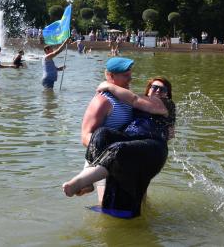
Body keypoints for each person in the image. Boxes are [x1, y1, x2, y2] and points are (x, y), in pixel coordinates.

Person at [63, 76, 175, 218]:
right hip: (131, 140)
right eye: (154, 87)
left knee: (120, 149)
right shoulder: (139, 105)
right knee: (101, 133)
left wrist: (108, 85)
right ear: (148, 90)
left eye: (162, 89)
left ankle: (81, 181)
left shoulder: (166, 104)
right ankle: (88, 180)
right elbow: (131, 100)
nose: (158, 90)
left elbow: (134, 99)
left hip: (151, 144)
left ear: (167, 94)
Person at [78, 56, 135, 203]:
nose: (130, 79)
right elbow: (85, 136)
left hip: (127, 159)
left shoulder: (126, 96)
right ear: (110, 76)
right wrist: (112, 150)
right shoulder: (102, 101)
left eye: (130, 74)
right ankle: (87, 181)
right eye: (125, 75)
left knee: (137, 205)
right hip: (104, 162)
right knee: (106, 207)